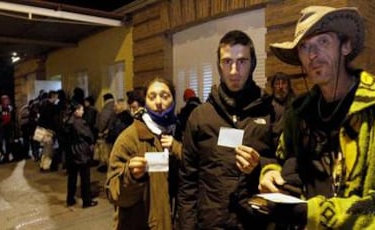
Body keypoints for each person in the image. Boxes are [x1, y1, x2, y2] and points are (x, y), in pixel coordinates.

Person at [258, 6, 375, 229]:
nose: (312, 55)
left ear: (345, 46)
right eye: (305, 47)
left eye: (323, 42)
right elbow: (280, 158)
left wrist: (314, 214)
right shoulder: (298, 113)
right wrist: (270, 172)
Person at [177, 30, 275, 229]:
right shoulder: (200, 116)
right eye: (227, 61)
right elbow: (187, 182)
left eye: (242, 61)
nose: (234, 70)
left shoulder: (271, 111)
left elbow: (286, 167)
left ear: (253, 63)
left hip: (256, 222)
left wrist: (260, 166)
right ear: (219, 66)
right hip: (212, 223)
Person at [105, 77, 182, 229]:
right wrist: (131, 176)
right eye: (152, 97)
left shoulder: (180, 131)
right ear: (145, 102)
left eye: (165, 96)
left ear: (173, 99)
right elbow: (113, 193)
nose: (158, 102)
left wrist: (177, 148)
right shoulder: (130, 137)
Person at [64, 102, 98, 209]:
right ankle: (86, 201)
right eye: (81, 110)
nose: (83, 112)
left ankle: (70, 199)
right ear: (76, 111)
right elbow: (89, 135)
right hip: (81, 152)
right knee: (85, 178)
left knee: (72, 178)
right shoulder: (79, 123)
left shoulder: (67, 121)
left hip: (71, 152)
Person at [269, 72, 294, 147]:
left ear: (289, 86)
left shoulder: (296, 105)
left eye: (283, 83)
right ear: (273, 87)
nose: (280, 87)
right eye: (277, 84)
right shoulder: (268, 106)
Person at [96, 93, 115, 172]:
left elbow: (103, 119)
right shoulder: (114, 105)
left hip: (107, 133)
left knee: (106, 152)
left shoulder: (107, 107)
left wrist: (101, 130)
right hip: (112, 132)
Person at [0, 95, 14, 163]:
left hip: (8, 127)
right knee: (0, 142)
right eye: (4, 99)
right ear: (2, 100)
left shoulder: (10, 108)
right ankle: (2, 152)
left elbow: (12, 118)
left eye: (7, 99)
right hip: (1, 127)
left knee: (8, 142)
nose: (6, 100)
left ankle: (7, 156)